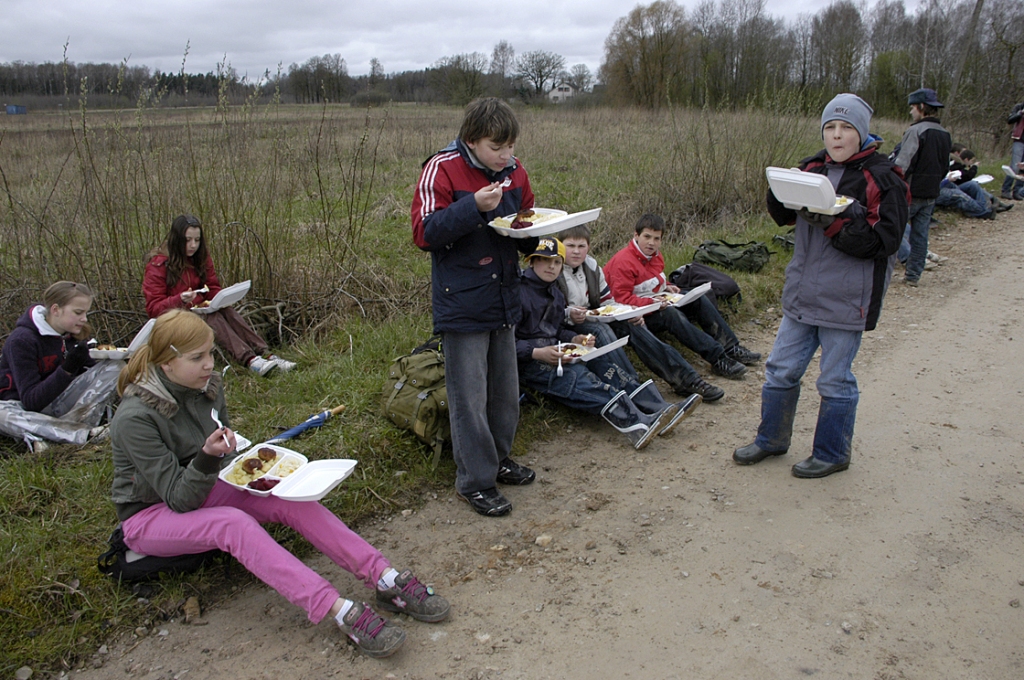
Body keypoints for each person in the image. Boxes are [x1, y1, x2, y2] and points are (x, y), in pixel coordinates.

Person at [109, 309, 449, 658]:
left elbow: (220, 451)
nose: (210, 364)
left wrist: (236, 454)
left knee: (287, 496)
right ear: (166, 364)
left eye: (211, 353)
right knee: (234, 524)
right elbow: (180, 499)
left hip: (205, 482)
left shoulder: (205, 386)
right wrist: (209, 457)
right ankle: (338, 609)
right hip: (149, 514)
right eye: (197, 358)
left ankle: (384, 578)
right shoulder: (136, 418)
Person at [734, 93, 908, 478]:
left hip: (848, 298)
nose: (837, 135)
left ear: (862, 133)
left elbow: (885, 243)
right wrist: (780, 188)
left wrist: (832, 221)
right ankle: (771, 440)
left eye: (846, 128)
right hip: (803, 291)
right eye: (830, 127)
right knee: (780, 369)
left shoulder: (883, 178)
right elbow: (782, 217)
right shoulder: (811, 166)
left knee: (834, 378)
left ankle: (832, 452)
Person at [411, 97, 539, 517]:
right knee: (469, 396)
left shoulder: (515, 170)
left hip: (505, 294)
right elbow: (425, 232)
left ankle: (498, 460)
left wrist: (535, 237)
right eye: (496, 147)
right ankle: (474, 481)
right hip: (462, 300)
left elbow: (527, 219)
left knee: (504, 393)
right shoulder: (443, 167)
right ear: (471, 140)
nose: (506, 156)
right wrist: (473, 208)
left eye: (510, 147)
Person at [516, 238, 700, 449]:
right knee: (579, 378)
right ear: (531, 262)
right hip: (529, 362)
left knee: (606, 367)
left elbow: (557, 330)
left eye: (557, 262)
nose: (551, 267)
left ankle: (659, 409)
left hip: (558, 352)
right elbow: (504, 345)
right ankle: (636, 424)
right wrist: (537, 353)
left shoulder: (555, 293)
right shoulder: (517, 292)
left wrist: (575, 339)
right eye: (544, 260)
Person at [556, 225, 726, 402]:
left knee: (634, 324)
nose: (576, 251)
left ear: (588, 247)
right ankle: (634, 389)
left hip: (593, 315)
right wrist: (569, 313)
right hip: (568, 325)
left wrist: (627, 313)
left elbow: (608, 301)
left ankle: (686, 379)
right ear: (561, 246)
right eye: (570, 246)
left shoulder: (592, 267)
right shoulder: (554, 268)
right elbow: (548, 311)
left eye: (581, 246)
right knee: (601, 331)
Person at [603, 214, 760, 380]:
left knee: (697, 297)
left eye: (657, 239)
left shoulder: (655, 256)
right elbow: (620, 300)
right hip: (635, 314)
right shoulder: (623, 262)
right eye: (647, 237)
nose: (651, 243)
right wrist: (652, 302)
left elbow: (652, 281)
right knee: (672, 315)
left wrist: (667, 286)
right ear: (636, 235)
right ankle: (718, 358)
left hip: (655, 302)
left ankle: (731, 347)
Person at [143, 214, 295, 376]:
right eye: (187, 240)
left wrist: (220, 299)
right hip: (174, 320)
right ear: (176, 239)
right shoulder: (158, 265)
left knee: (225, 310)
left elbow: (212, 286)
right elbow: (154, 309)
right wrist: (179, 299)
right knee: (212, 317)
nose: (193, 245)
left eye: (197, 240)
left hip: (199, 310)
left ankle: (266, 354)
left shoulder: (199, 258)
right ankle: (250, 359)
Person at [0, 281, 121, 451]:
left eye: (86, 313)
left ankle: (50, 434)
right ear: (55, 310)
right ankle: (84, 435)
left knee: (116, 367)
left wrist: (92, 360)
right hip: (21, 407)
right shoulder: (22, 340)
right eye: (78, 312)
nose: (84, 319)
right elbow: (30, 401)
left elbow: (86, 378)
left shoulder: (71, 335)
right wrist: (67, 369)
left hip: (60, 404)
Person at [892, 88, 951, 287]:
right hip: (931, 192)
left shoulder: (915, 131)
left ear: (921, 107)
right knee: (920, 235)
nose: (911, 112)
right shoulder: (945, 134)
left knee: (892, 230)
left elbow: (903, 163)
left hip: (909, 191)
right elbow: (945, 166)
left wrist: (892, 184)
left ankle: (884, 271)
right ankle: (913, 276)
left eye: (912, 108)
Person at [1000, 100, 1024, 201]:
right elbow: (1010, 119)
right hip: (1020, 139)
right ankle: (1006, 189)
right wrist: (1020, 113)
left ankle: (1018, 190)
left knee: (1023, 167)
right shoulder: (1019, 107)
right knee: (1015, 165)